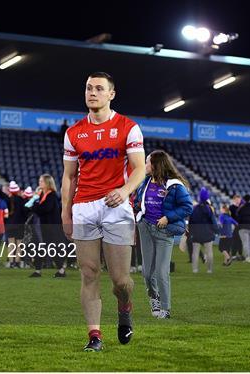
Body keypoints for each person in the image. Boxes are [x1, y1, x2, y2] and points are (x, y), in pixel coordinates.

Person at [61, 72, 145, 351]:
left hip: (116, 207)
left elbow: (139, 168)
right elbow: (69, 177)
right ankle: (94, 336)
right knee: (89, 273)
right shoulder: (74, 132)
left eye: (99, 88)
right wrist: (66, 212)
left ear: (111, 94)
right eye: (88, 88)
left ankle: (124, 308)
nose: (92, 92)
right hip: (84, 207)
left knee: (121, 281)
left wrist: (124, 191)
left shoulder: (128, 127)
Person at [134, 150, 193, 319]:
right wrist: (138, 208)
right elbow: (140, 201)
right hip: (145, 228)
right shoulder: (144, 182)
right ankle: (154, 299)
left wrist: (168, 217)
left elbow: (187, 207)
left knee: (161, 272)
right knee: (146, 272)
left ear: (156, 165)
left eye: (147, 162)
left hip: (164, 231)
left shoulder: (174, 185)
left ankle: (165, 309)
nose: (145, 165)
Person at [26, 174, 68, 278]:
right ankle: (38, 270)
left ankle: (61, 270)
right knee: (39, 248)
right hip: (41, 227)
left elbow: (44, 209)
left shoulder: (51, 196)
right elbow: (33, 208)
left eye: (41, 181)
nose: (39, 183)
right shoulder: (42, 195)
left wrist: (35, 205)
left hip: (50, 228)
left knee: (52, 249)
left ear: (47, 183)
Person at [189, 188, 218, 274]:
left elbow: (191, 221)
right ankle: (209, 270)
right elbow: (213, 221)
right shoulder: (209, 209)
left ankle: (195, 270)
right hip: (207, 233)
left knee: (195, 252)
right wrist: (216, 231)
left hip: (196, 233)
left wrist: (190, 232)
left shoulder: (195, 208)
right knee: (209, 252)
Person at [7, 181, 29, 268]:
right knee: (19, 244)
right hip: (20, 224)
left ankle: (11, 262)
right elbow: (25, 212)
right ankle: (17, 262)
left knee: (11, 244)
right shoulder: (21, 200)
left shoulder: (7, 200)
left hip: (9, 225)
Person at [229, 194, 244, 261]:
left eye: (239, 199)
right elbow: (229, 217)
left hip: (241, 226)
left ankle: (240, 254)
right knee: (234, 241)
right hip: (234, 226)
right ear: (234, 200)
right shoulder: (231, 207)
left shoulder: (242, 207)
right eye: (236, 199)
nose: (238, 200)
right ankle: (234, 255)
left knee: (240, 241)